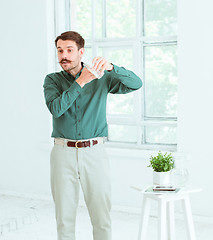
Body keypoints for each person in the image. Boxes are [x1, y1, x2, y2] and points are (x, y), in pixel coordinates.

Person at [43, 31, 142, 240]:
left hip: (94, 152)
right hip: (62, 154)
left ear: (81, 52)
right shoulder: (52, 80)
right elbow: (56, 109)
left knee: (101, 216)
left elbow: (136, 83)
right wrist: (80, 82)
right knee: (64, 218)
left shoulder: (101, 78)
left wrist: (112, 68)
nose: (64, 56)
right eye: (60, 51)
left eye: (69, 50)